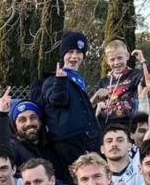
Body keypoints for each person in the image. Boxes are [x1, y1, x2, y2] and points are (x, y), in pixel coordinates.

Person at [40, 31, 103, 167]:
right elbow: (58, 100)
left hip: (83, 139)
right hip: (67, 140)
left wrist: (92, 102)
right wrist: (60, 80)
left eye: (79, 52)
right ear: (63, 54)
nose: (74, 56)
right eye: (70, 51)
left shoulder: (78, 78)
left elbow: (74, 109)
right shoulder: (53, 79)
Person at [0, 89, 67, 182]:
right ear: (15, 125)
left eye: (33, 117)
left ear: (40, 121)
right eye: (22, 120)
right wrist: (1, 114)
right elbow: (0, 155)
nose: (29, 123)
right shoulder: (14, 147)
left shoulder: (53, 143)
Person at [94, 41, 150, 128]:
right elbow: (96, 103)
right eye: (112, 59)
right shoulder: (104, 81)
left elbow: (148, 78)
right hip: (104, 124)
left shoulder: (133, 74)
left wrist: (142, 60)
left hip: (125, 123)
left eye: (120, 58)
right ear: (107, 61)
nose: (116, 63)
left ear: (127, 56)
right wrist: (99, 106)